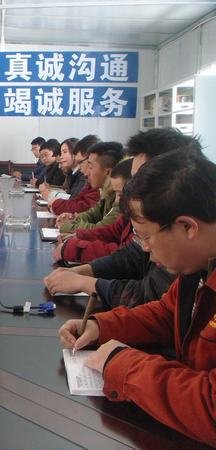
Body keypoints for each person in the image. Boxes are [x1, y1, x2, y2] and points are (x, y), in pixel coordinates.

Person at [58, 151, 216, 446]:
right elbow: (167, 313)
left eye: (146, 237)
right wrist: (100, 326)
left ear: (188, 227)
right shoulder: (197, 264)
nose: (144, 249)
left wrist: (123, 365)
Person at [44, 128, 202, 309]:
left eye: (138, 179)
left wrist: (86, 282)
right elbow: (133, 254)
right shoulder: (155, 218)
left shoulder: (178, 236)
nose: (130, 190)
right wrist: (83, 271)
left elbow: (148, 296)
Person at [54, 158, 133, 263]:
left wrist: (69, 227)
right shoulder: (109, 194)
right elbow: (108, 229)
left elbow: (127, 256)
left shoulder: (125, 205)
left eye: (90, 167)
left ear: (108, 172)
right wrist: (77, 230)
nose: (85, 172)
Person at [57, 141, 123, 233]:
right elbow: (93, 214)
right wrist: (73, 218)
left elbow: (101, 230)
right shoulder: (106, 192)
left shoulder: (120, 194)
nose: (87, 173)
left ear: (108, 172)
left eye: (91, 167)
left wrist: (67, 226)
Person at [50, 135, 101, 214]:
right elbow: (77, 200)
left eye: (65, 152)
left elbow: (83, 206)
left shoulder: (87, 177)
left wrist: (55, 203)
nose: (61, 157)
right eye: (61, 153)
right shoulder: (74, 174)